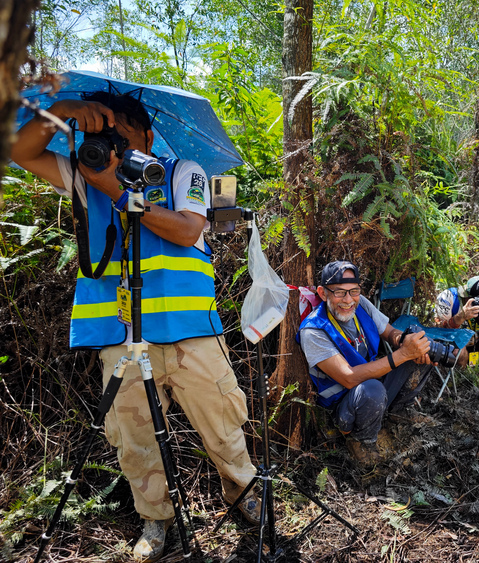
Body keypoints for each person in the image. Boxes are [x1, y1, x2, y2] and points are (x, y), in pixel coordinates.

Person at [11, 92, 259, 562]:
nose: (114, 148)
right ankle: (156, 519)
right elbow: (20, 151)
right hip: (119, 334)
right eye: (103, 136)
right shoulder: (85, 172)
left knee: (222, 421)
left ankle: (242, 489)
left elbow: (188, 230)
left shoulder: (183, 171)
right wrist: (61, 113)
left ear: (147, 136)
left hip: (191, 330)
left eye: (122, 138)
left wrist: (119, 191)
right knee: (134, 437)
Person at [296, 261, 433, 465]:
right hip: (342, 405)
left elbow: (389, 332)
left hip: (373, 382)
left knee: (425, 348)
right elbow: (349, 378)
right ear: (323, 294)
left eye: (354, 291)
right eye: (339, 292)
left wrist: (405, 341)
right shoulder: (314, 331)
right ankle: (361, 440)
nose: (348, 300)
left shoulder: (361, 305)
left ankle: (398, 413)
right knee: (371, 390)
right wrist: (402, 355)